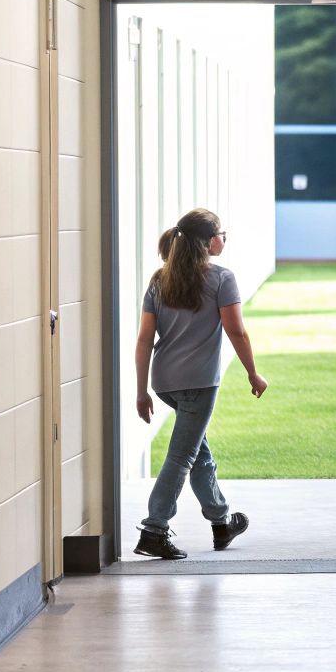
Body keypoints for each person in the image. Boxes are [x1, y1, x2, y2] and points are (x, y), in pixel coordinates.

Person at [133, 208, 267, 560]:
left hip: (165, 382)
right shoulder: (222, 278)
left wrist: (141, 389)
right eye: (223, 233)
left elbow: (145, 339)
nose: (224, 239)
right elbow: (236, 330)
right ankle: (154, 529)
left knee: (197, 452)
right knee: (182, 456)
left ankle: (221, 521)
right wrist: (253, 372)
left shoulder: (159, 280)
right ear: (210, 241)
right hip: (199, 383)